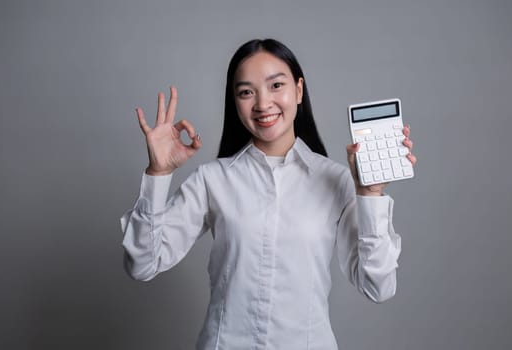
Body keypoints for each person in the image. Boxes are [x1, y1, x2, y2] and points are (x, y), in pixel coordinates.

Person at [121, 38, 416, 350]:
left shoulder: (337, 181)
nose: (262, 103)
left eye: (276, 85)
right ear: (235, 103)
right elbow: (142, 265)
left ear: (299, 90)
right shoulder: (213, 180)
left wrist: (369, 194)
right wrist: (159, 173)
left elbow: (378, 287)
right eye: (247, 92)